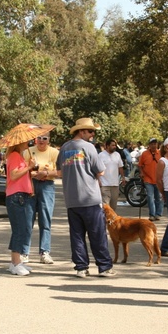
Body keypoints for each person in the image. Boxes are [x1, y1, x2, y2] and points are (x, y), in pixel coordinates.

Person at [56, 117, 115, 278]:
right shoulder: (89, 148)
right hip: (90, 198)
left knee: (77, 235)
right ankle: (104, 266)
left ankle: (81, 267)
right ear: (81, 131)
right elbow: (100, 171)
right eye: (90, 131)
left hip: (72, 199)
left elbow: (59, 171)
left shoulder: (64, 148)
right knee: (97, 234)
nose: (92, 134)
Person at [23, 132, 59, 264]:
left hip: (47, 186)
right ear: (35, 139)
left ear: (49, 140)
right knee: (27, 220)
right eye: (39, 138)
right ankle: (24, 252)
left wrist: (46, 173)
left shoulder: (54, 152)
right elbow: (22, 170)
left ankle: (45, 252)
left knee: (45, 219)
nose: (42, 141)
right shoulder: (28, 152)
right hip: (31, 185)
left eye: (45, 138)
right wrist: (31, 173)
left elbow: (59, 171)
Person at [4, 139, 37, 275]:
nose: (27, 142)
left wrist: (30, 168)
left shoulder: (19, 156)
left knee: (23, 228)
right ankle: (16, 262)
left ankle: (15, 261)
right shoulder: (15, 156)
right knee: (20, 228)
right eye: (25, 141)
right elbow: (13, 175)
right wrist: (28, 167)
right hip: (17, 196)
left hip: (21, 195)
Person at [139, 138, 163, 221]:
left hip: (158, 179)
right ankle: (152, 214)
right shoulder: (144, 154)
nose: (153, 145)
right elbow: (140, 165)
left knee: (159, 198)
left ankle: (158, 214)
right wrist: (141, 172)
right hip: (148, 179)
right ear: (149, 145)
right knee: (150, 197)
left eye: (155, 144)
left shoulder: (160, 153)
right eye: (152, 144)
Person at [98, 139, 125, 211]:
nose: (114, 147)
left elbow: (120, 167)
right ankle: (103, 222)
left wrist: (123, 177)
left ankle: (112, 222)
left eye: (115, 145)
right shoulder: (101, 155)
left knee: (113, 208)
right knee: (105, 207)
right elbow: (97, 169)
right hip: (104, 185)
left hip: (115, 185)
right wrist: (98, 181)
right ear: (107, 146)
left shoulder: (117, 155)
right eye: (112, 145)